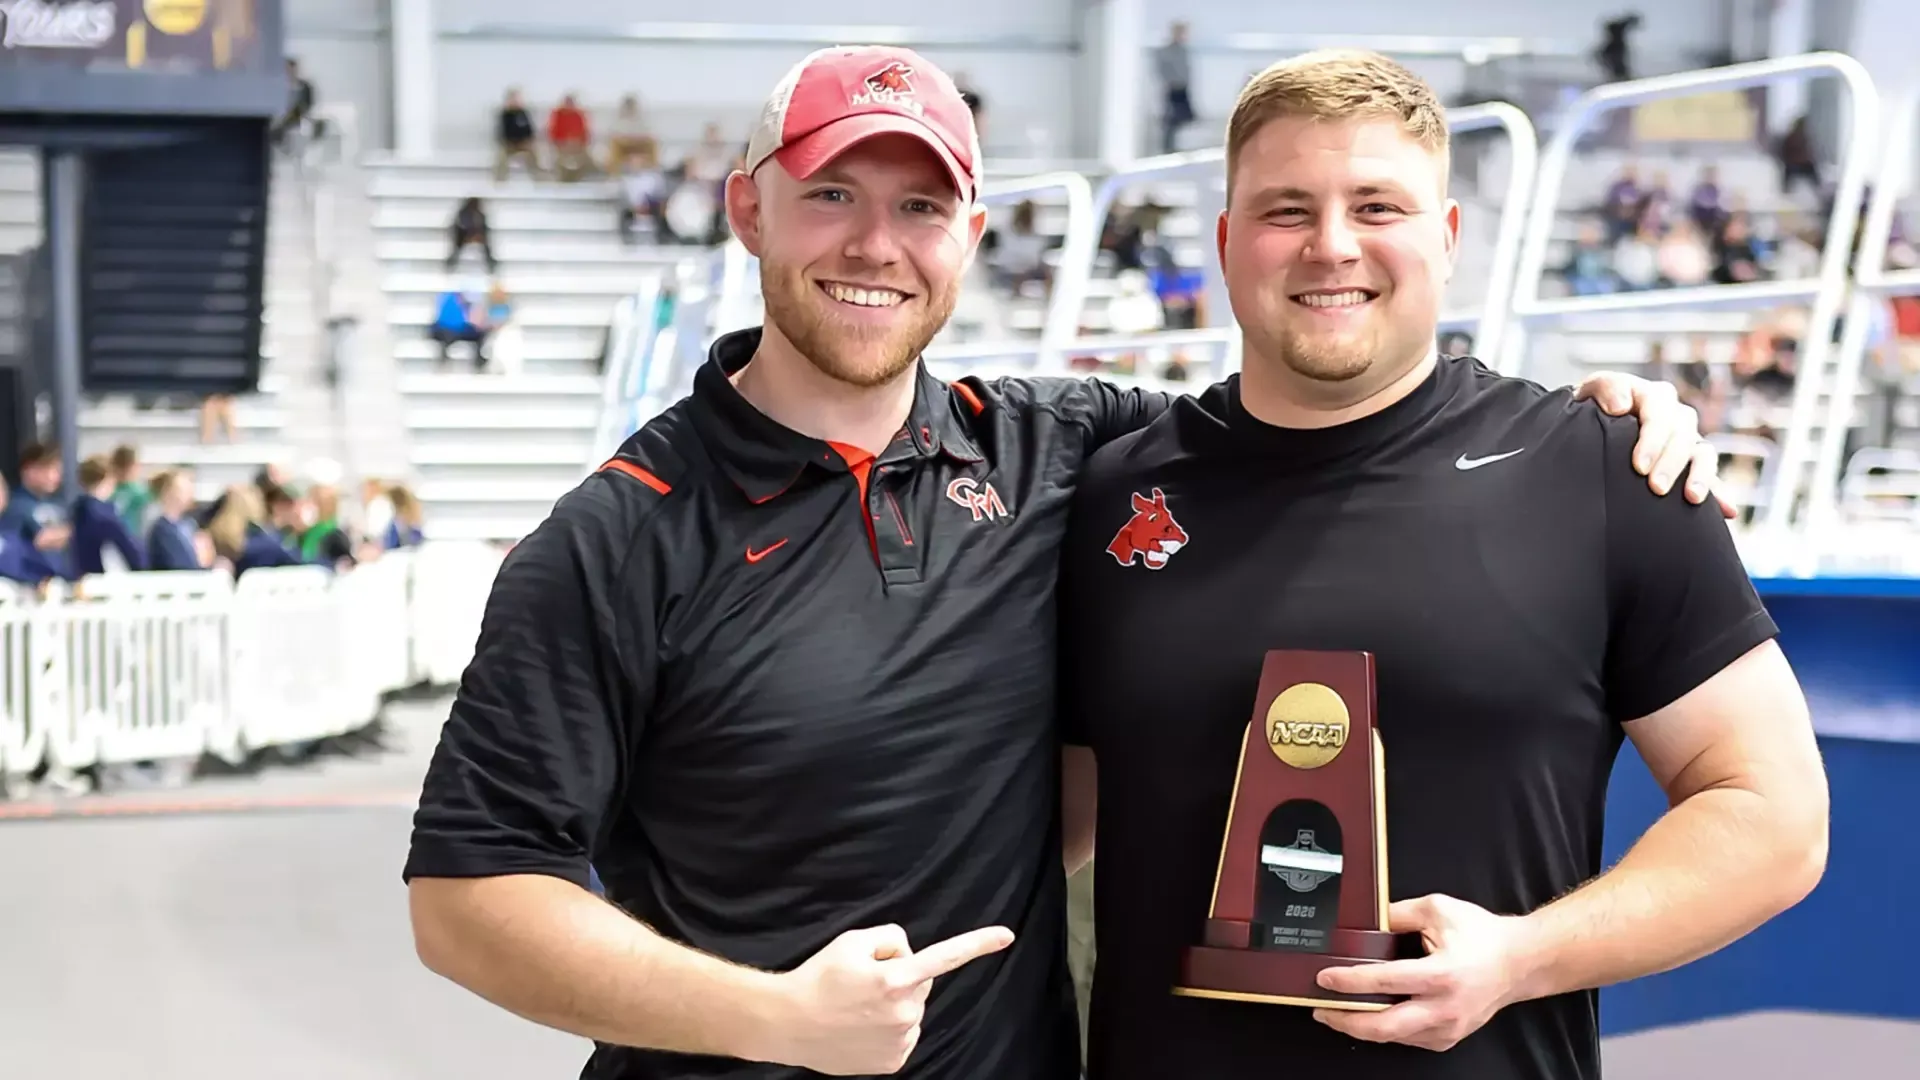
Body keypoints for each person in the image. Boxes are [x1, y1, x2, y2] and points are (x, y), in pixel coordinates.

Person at [400, 44, 1728, 1080]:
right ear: (750, 210)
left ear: (970, 235)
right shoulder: (616, 537)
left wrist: (1587, 422)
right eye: (831, 197)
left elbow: (1319, 412)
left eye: (919, 204)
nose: (876, 245)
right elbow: (468, 902)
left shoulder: (1059, 450)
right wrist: (778, 1020)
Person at [1054, 50, 1828, 1080]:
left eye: (1378, 206)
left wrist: (1521, 959)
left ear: (1448, 238)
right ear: (1229, 241)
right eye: (1287, 210)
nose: (1331, 247)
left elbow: (1773, 815)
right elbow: (1038, 824)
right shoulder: (1113, 498)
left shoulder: (1600, 471)